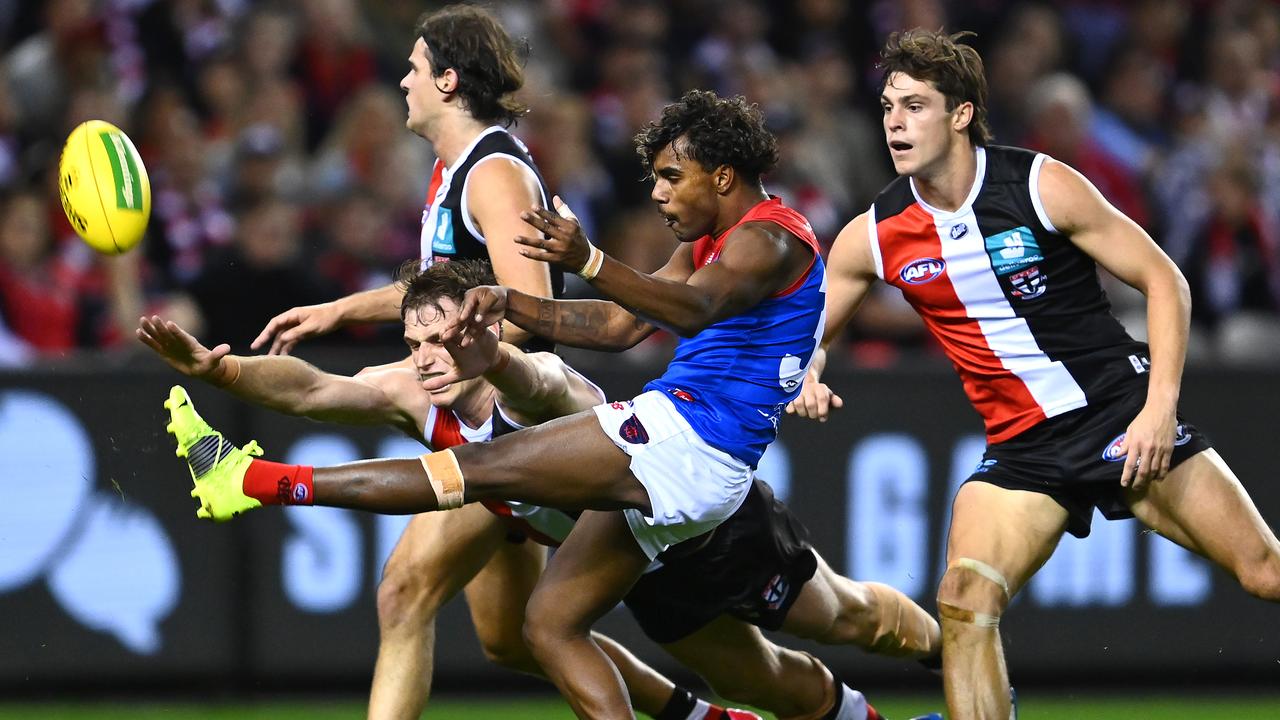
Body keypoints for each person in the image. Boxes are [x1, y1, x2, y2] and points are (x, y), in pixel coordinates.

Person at [159, 89, 935, 719]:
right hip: (675, 462)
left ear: (723, 177)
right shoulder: (709, 243)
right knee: (547, 626)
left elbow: (689, 312)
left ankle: (254, 482)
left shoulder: (771, 239)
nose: (660, 195)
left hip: (690, 447)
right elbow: (625, 322)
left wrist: (579, 267)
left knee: (477, 471)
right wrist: (507, 300)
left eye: (673, 178)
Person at [787, 29, 1280, 720]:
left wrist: (1158, 409)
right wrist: (808, 369)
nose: (895, 121)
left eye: (916, 105)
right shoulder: (875, 233)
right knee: (963, 598)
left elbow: (1165, 282)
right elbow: (808, 331)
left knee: (1265, 573)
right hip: (1025, 452)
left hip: (1120, 416)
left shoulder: (1039, 184)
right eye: (889, 106)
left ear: (960, 114)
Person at [246, 7, 566, 718]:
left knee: (403, 592)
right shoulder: (454, 170)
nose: (403, 80)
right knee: (517, 640)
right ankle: (690, 710)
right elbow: (438, 292)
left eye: (416, 67)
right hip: (496, 428)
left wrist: (460, 381)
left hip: (514, 433)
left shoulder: (494, 177)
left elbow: (534, 316)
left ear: (449, 81)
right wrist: (339, 310)